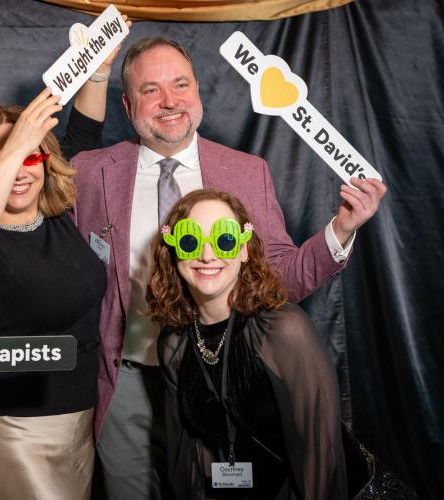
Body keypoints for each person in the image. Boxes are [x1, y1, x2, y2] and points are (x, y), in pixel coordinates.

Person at [69, 36, 387, 498]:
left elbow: (280, 276)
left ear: (198, 90)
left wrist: (341, 230)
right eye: (151, 90)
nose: (169, 101)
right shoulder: (91, 172)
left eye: (180, 85)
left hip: (218, 380)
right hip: (126, 383)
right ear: (128, 102)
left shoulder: (246, 170)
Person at [0, 90, 106, 500]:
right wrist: (17, 144)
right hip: (12, 428)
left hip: (77, 420)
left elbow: (82, 134)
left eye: (29, 157)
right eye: (2, 159)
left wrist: (101, 65)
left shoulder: (57, 218)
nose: (19, 170)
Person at [146, 188, 348, 499]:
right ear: (174, 251)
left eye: (224, 240)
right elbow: (184, 456)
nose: (207, 255)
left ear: (244, 249)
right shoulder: (175, 342)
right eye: (190, 240)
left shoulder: (282, 331)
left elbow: (321, 455)